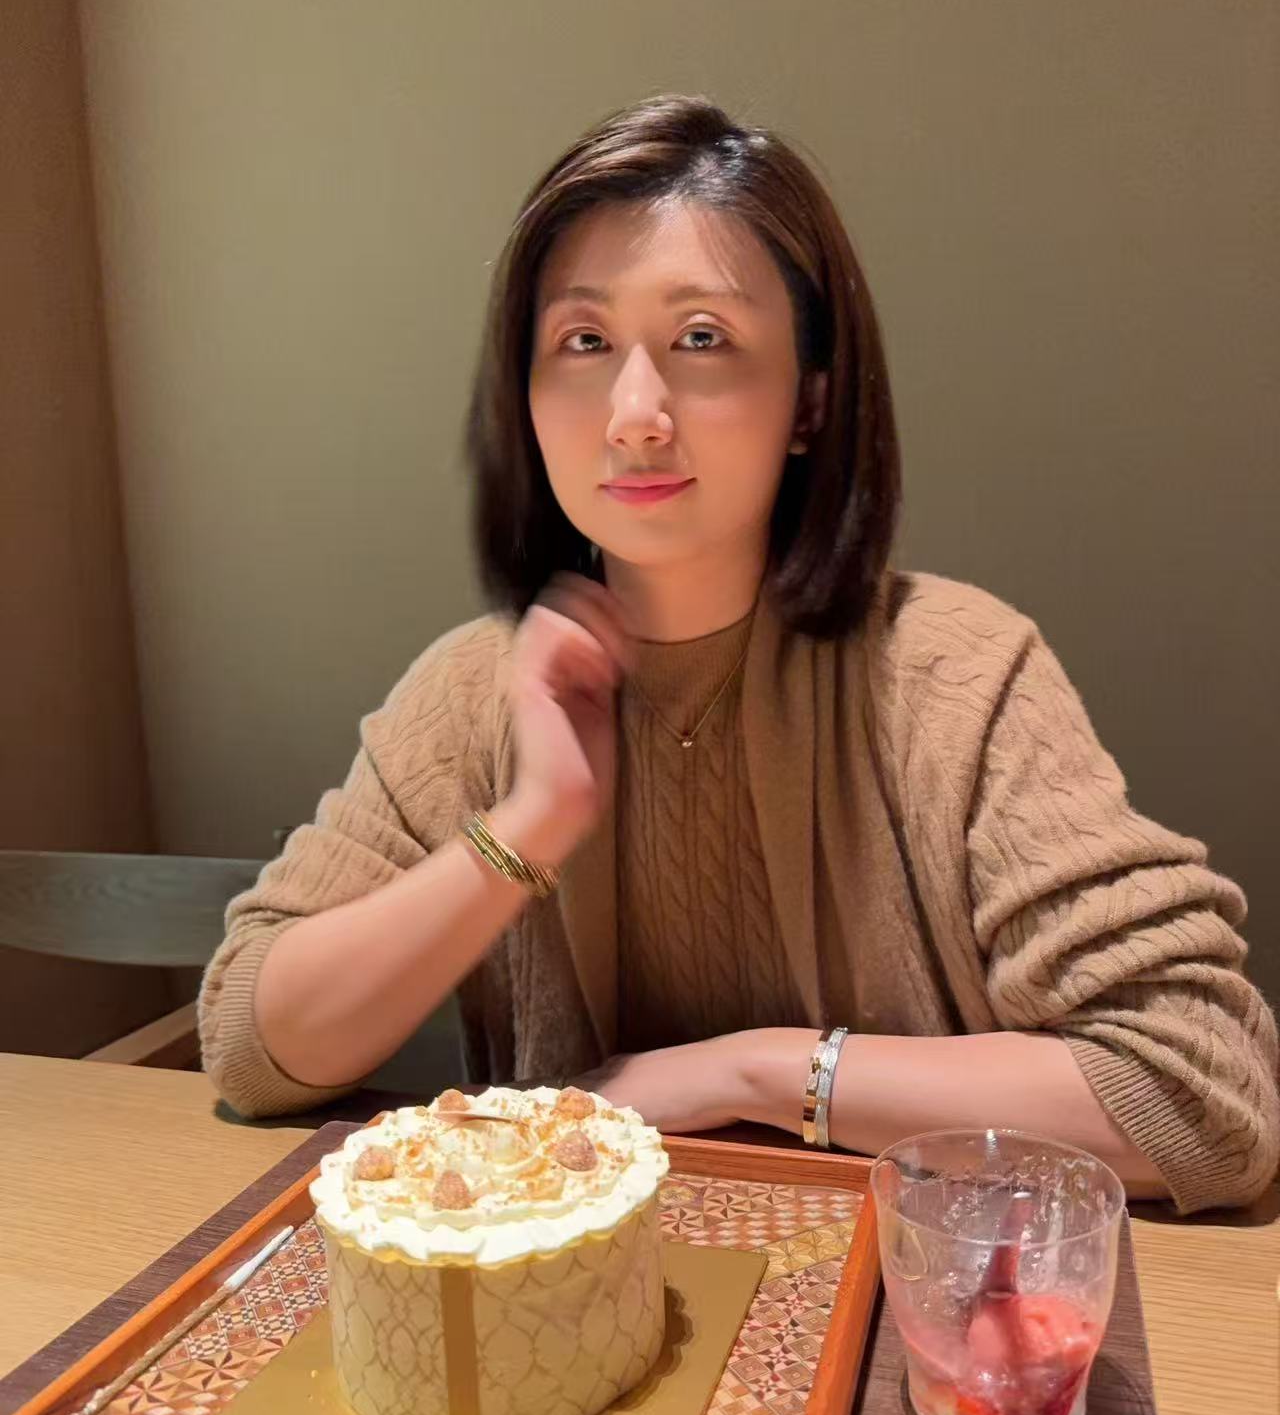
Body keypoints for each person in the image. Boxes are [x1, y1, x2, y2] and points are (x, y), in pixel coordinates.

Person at [198, 93, 1278, 1213]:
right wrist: (527, 828)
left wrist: (751, 1073)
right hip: (583, 1300)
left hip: (907, 1288)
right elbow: (250, 1045)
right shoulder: (477, 687)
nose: (634, 413)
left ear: (808, 401)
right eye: (583, 342)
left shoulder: (953, 673)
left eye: (702, 339)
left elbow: (1200, 1094)